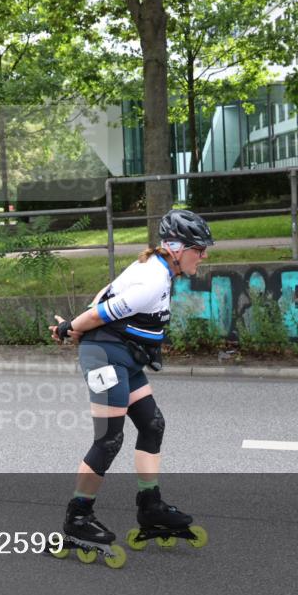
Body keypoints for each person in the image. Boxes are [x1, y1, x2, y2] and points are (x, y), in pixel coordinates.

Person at [48, 209, 214, 551]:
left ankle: (150, 507)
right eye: (199, 249)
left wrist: (77, 327)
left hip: (125, 355)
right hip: (105, 357)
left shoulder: (158, 269)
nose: (204, 255)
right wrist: (72, 329)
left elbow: (104, 292)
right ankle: (77, 518)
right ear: (178, 248)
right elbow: (99, 312)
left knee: (152, 424)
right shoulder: (153, 278)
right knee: (109, 439)